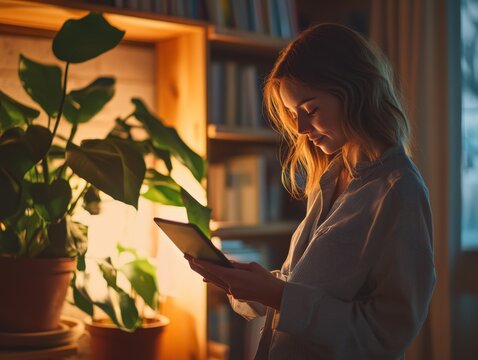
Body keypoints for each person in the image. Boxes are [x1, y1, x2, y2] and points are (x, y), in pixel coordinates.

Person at [185, 23, 436, 359]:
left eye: (311, 110)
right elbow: (312, 290)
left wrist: (279, 296)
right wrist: (249, 284)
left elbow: (385, 335)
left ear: (355, 89)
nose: (301, 129)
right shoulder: (329, 178)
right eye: (293, 114)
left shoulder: (399, 192)